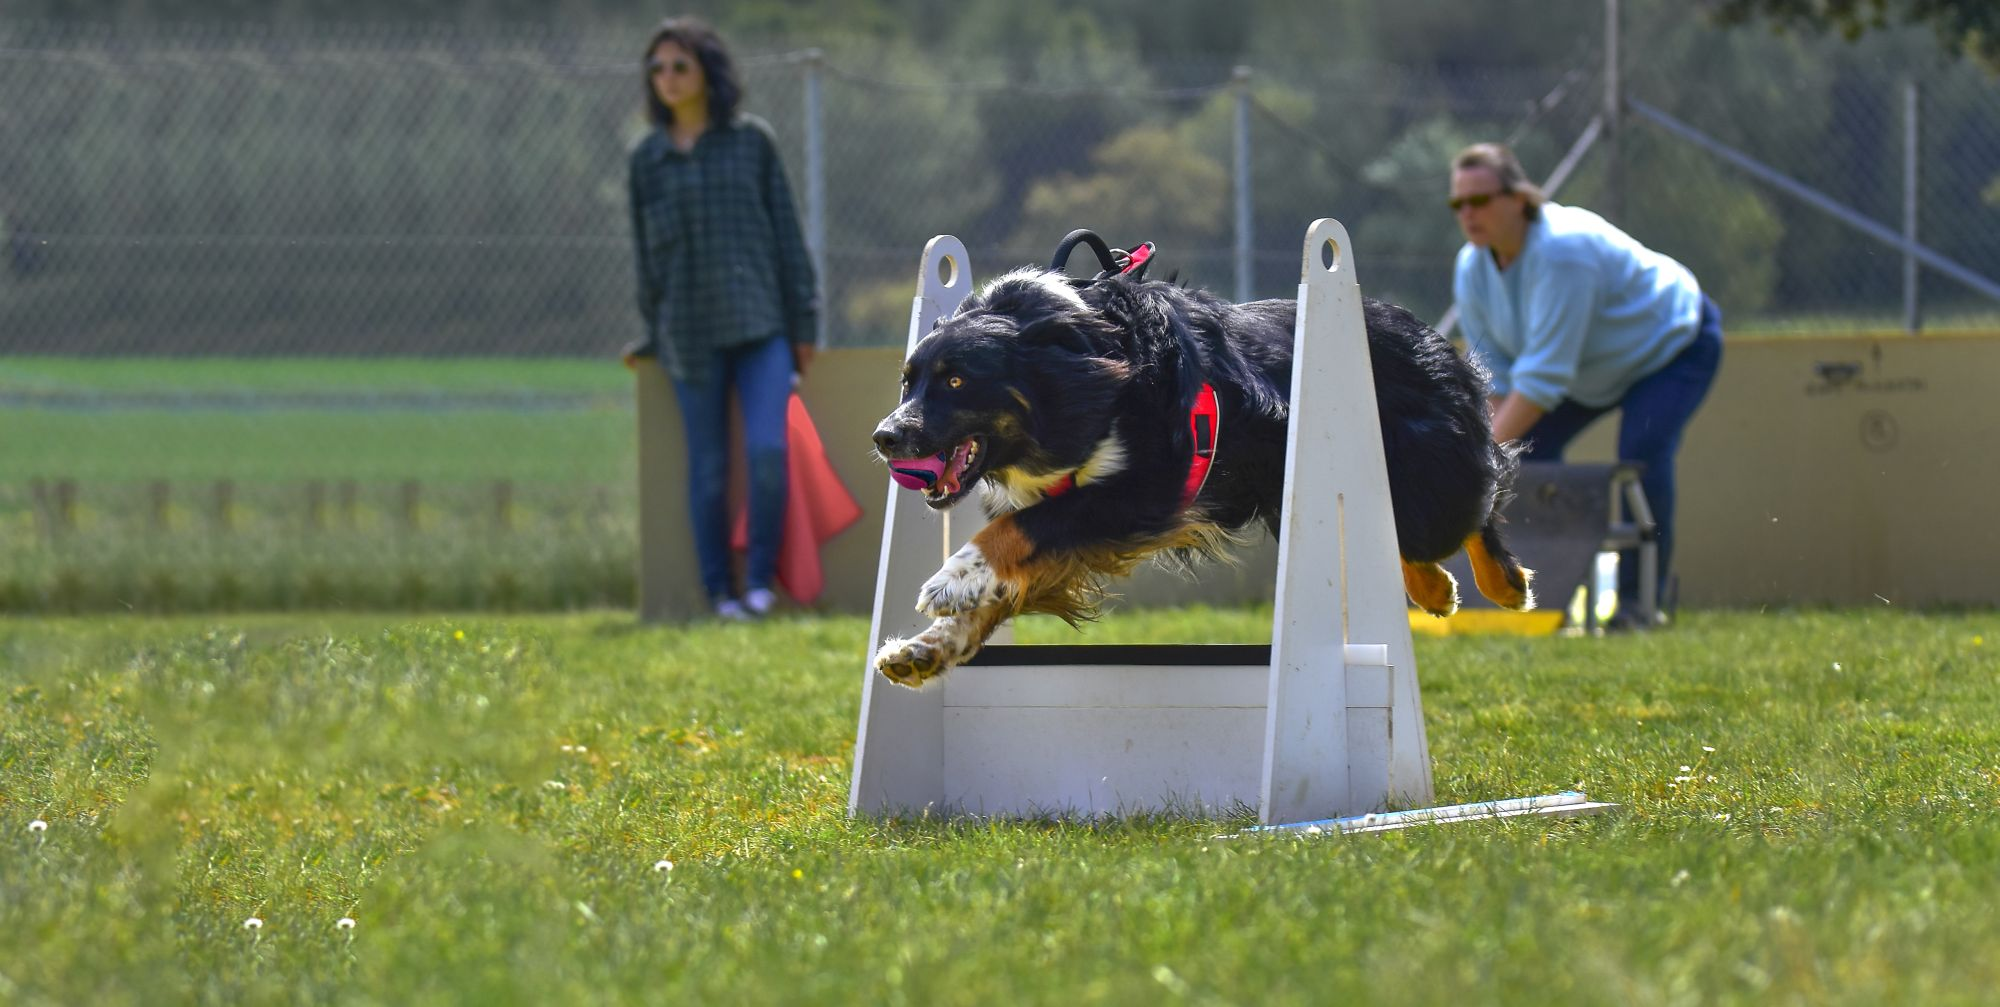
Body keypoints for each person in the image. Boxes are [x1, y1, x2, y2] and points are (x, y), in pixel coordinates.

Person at [1448, 142, 1722, 625]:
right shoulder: (1472, 267)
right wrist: (1488, 455)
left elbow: (1542, 381)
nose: (1469, 214)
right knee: (1522, 455)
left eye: (1481, 201)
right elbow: (1496, 375)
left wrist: (1476, 462)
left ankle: (1641, 605)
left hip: (1673, 345)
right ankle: (1547, 601)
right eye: (1459, 204)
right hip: (1586, 369)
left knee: (1641, 452)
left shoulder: (1563, 251)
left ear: (1519, 197)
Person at [624, 16, 818, 622]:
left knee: (766, 453)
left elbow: (787, 234)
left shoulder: (751, 141)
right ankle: (719, 592)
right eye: (657, 68)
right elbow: (645, 259)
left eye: (679, 65)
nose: (668, 78)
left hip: (761, 326)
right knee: (707, 471)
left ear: (707, 71)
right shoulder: (647, 159)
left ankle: (759, 583)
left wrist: (804, 324)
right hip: (686, 336)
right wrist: (653, 336)